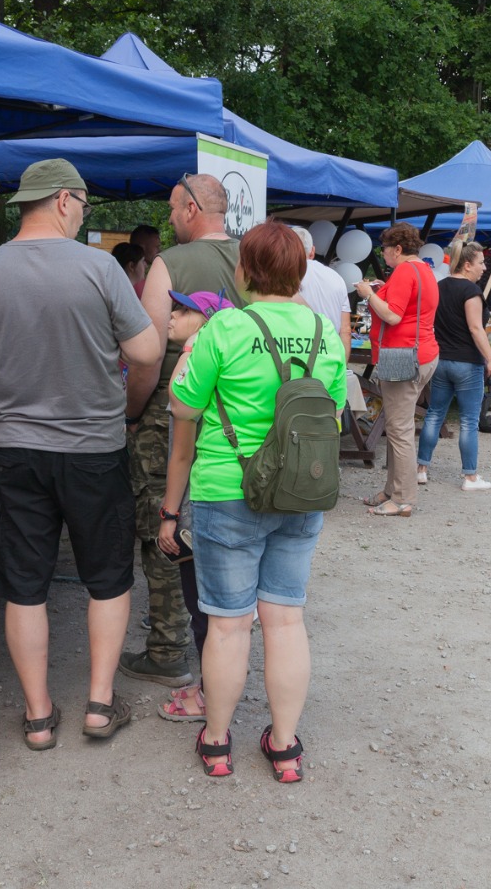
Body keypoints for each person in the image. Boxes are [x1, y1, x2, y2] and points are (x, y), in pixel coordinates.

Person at [0, 158, 161, 748]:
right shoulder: (100, 267)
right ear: (67, 200)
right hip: (94, 448)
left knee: (24, 583)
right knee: (107, 577)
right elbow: (146, 352)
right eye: (84, 207)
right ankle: (99, 704)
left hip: (15, 449)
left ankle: (39, 715)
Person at [167, 221, 346, 779]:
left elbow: (183, 407)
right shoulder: (325, 332)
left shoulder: (224, 329)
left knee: (227, 624)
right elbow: (332, 417)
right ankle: (285, 746)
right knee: (286, 620)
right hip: (300, 489)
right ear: (299, 272)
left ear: (246, 271)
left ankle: (217, 743)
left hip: (227, 490)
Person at [123, 173, 242, 689]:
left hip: (170, 413)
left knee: (163, 528)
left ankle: (168, 646)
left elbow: (147, 357)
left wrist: (131, 411)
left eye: (174, 208)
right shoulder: (255, 257)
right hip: (237, 416)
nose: (170, 218)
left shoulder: (169, 264)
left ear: (192, 209)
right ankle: (225, 635)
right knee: (222, 526)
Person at [153, 289, 235, 726]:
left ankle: (207, 694)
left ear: (206, 323)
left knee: (203, 606)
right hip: (242, 501)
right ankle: (214, 687)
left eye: (183, 311)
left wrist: (168, 515)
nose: (171, 316)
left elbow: (180, 453)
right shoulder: (238, 364)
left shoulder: (195, 369)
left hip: (200, 505)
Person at [356, 222, 439, 516]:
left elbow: (392, 315)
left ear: (398, 249)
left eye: (386, 250)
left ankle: (403, 498)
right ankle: (392, 491)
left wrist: (368, 293)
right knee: (396, 428)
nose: (384, 255)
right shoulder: (424, 270)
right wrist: (381, 290)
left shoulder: (405, 271)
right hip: (421, 353)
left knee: (400, 431)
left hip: (403, 356)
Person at [416, 243, 491, 490]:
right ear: (467, 265)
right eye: (480, 263)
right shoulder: (471, 292)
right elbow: (476, 328)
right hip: (467, 362)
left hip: (441, 360)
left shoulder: (439, 286)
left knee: (434, 414)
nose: (484, 268)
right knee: (468, 421)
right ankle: (470, 477)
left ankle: (422, 468)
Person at [291, 225, 351, 352]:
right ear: (312, 251)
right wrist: (342, 367)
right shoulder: (337, 278)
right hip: (330, 353)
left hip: (295, 351)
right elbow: (345, 330)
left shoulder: (283, 275)